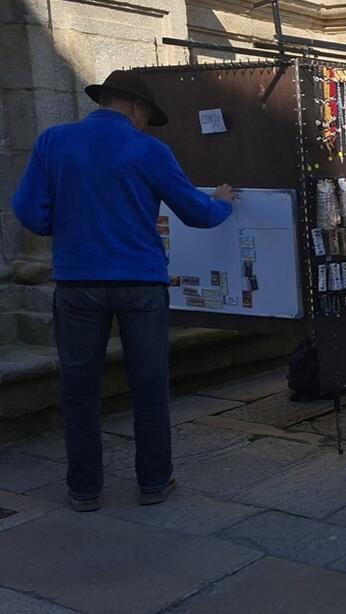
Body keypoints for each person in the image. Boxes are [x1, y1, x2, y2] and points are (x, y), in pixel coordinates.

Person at [11, 70, 234, 512]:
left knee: (78, 388)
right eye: (148, 116)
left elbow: (29, 213)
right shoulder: (147, 149)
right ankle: (153, 481)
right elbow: (196, 213)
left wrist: (71, 228)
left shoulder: (53, 141)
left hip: (77, 283)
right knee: (149, 384)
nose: (147, 124)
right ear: (135, 108)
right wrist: (224, 202)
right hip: (140, 283)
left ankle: (84, 489)